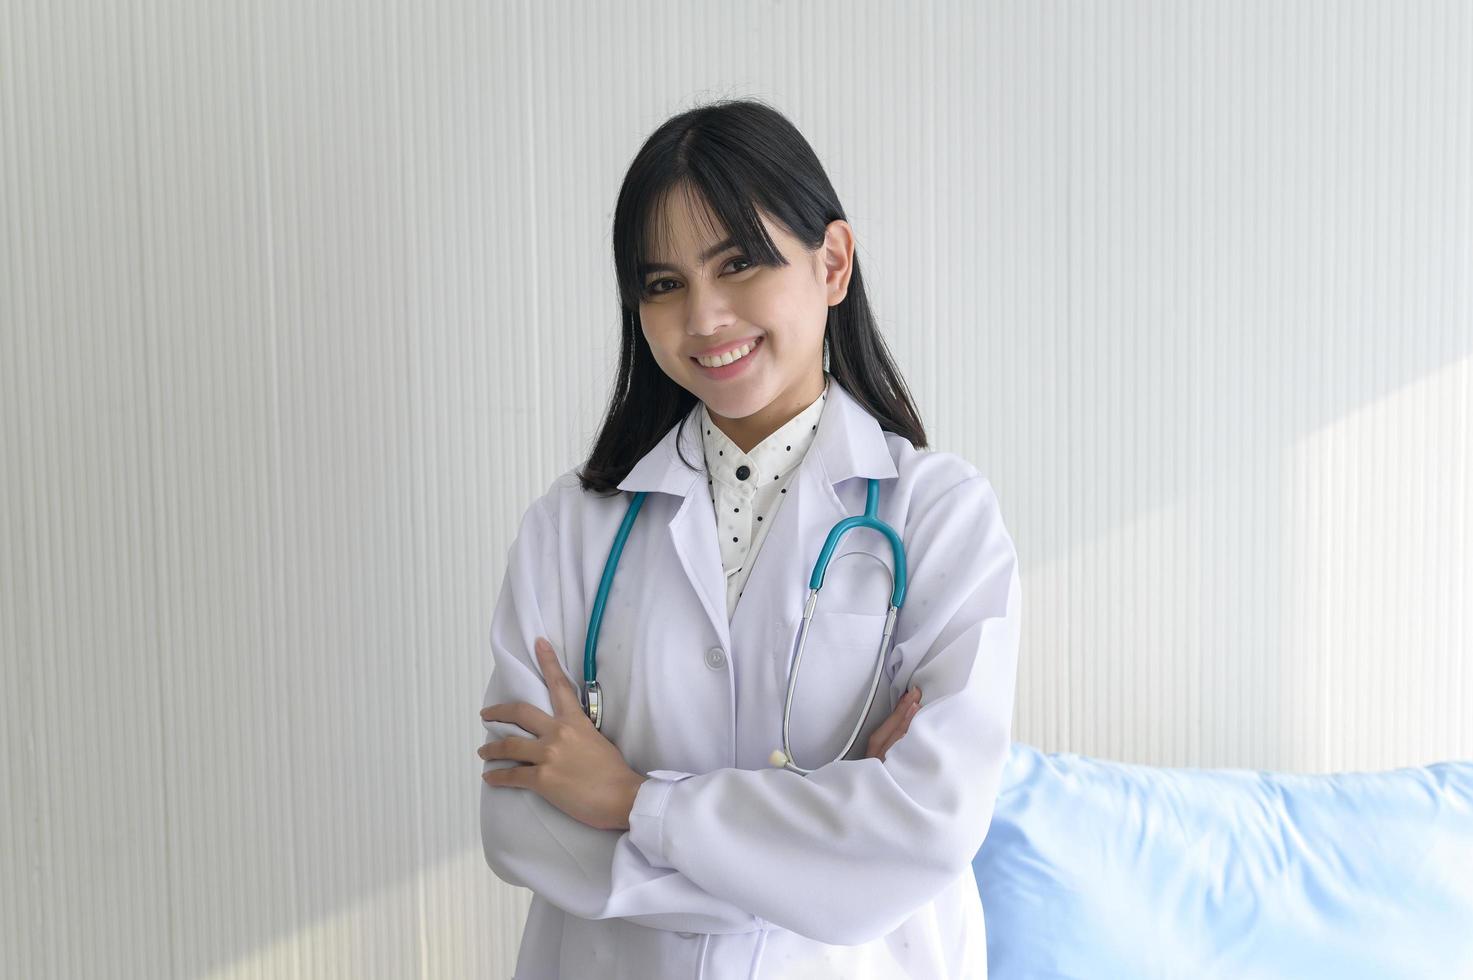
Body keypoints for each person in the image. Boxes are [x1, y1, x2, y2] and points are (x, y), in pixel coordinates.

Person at [477, 97, 1021, 979]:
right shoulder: (570, 529)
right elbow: (522, 828)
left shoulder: (938, 515)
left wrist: (630, 802)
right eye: (664, 284)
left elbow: (926, 826)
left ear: (831, 262)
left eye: (738, 265)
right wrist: (815, 852)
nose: (703, 317)